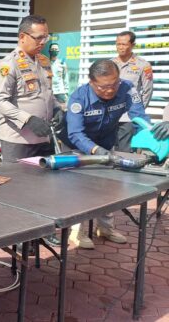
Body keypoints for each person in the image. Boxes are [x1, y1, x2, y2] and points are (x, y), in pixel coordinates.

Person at [63, 59, 169, 248]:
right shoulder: (79, 97)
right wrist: (98, 152)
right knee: (79, 189)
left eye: (114, 84)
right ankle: (76, 232)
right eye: (104, 87)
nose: (110, 90)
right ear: (92, 82)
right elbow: (76, 133)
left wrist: (154, 132)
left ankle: (105, 228)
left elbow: (138, 116)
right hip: (79, 146)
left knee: (107, 188)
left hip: (107, 142)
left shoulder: (126, 88)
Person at [0, 14, 63, 162]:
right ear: (22, 36)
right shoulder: (8, 64)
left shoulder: (44, 62)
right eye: (38, 38)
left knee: (45, 184)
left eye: (46, 37)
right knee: (19, 184)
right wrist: (28, 120)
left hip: (44, 138)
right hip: (18, 141)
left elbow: (47, 93)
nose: (43, 42)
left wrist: (57, 108)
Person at [112, 31, 153, 152]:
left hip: (128, 117)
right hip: (110, 115)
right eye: (118, 44)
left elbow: (147, 91)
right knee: (108, 150)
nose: (120, 47)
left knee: (125, 151)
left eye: (124, 44)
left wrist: (136, 111)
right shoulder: (110, 64)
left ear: (133, 45)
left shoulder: (143, 65)